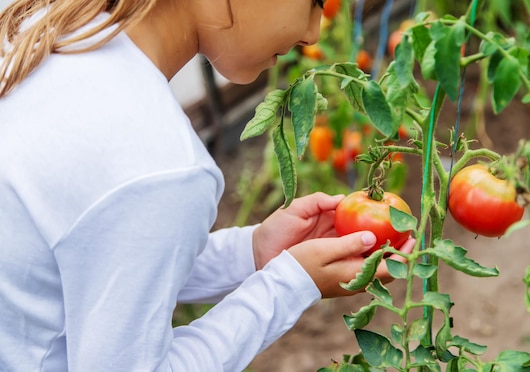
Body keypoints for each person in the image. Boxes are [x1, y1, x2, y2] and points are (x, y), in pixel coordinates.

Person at [0, 0, 415, 370]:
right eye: (314, 2)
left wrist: (252, 253)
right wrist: (290, 285)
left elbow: (90, 260)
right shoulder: (158, 165)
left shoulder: (43, 32)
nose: (313, 31)